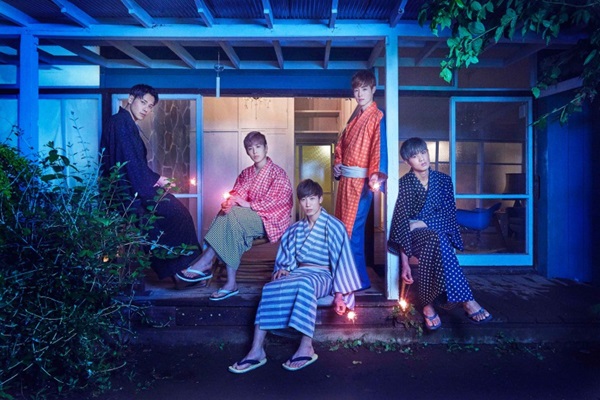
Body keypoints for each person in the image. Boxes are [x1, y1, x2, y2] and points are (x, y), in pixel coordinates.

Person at [228, 179, 363, 374]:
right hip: (300, 272)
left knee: (305, 284)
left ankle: (306, 346)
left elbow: (343, 261)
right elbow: (286, 260)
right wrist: (283, 269)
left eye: (312, 199)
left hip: (323, 274)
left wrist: (340, 294)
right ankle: (257, 349)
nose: (307, 204)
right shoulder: (295, 229)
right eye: (303, 199)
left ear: (320, 199)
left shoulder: (335, 227)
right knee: (270, 287)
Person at [100, 84, 203, 286]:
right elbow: (129, 164)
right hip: (129, 193)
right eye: (143, 102)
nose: (146, 109)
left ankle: (178, 270)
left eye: (150, 106)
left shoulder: (124, 123)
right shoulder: (121, 123)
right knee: (176, 214)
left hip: (134, 186)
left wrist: (156, 178)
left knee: (173, 216)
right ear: (131, 99)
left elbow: (133, 163)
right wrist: (151, 185)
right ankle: (179, 270)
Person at [387, 137, 493, 331]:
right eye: (415, 156)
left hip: (436, 235)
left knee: (437, 239)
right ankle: (467, 301)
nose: (422, 158)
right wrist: (404, 264)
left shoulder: (444, 181)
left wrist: (421, 222)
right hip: (414, 238)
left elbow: (449, 215)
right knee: (437, 239)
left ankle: (427, 305)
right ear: (406, 161)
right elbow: (401, 224)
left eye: (423, 152)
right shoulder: (404, 184)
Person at [179, 131, 293, 301]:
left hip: (270, 219)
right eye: (250, 148)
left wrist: (247, 204)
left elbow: (279, 202)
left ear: (266, 148)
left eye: (258, 146)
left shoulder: (278, 173)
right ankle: (229, 283)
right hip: (244, 218)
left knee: (231, 217)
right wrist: (230, 202)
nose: (255, 151)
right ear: (247, 152)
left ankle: (207, 261)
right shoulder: (246, 173)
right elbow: (237, 193)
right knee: (228, 216)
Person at [333, 69, 387, 290]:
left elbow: (378, 148)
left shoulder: (376, 116)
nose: (360, 94)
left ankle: (358, 280)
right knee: (342, 229)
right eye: (356, 90)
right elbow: (341, 147)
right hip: (346, 181)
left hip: (360, 182)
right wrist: (338, 164)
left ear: (373, 89)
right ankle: (350, 277)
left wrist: (374, 175)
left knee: (352, 230)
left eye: (364, 89)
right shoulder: (354, 120)